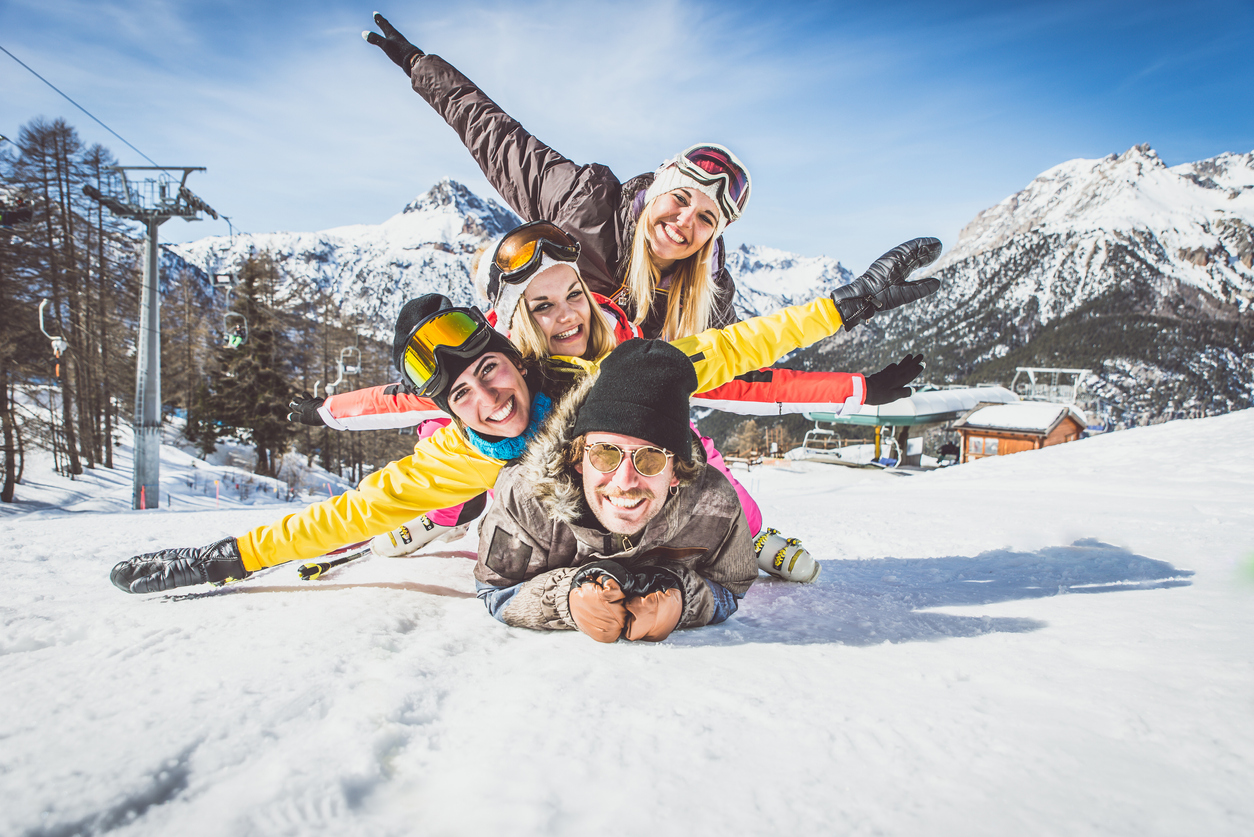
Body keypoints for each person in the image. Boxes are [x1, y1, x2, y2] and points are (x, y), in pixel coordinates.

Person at [111, 240, 935, 596]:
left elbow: (726, 352)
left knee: (699, 470)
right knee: (448, 495)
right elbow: (341, 513)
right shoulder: (455, 451)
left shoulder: (592, 375)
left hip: (638, 494)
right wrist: (224, 557)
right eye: (461, 394)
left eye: (490, 371)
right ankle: (438, 521)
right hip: (519, 505)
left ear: (512, 353)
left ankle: (752, 538)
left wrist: (849, 304)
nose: (488, 397)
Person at [363, 13, 752, 339]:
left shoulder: (707, 291)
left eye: (706, 218)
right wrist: (419, 65)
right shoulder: (586, 203)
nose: (685, 222)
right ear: (658, 188)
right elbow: (497, 139)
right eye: (681, 198)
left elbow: (745, 362)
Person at [476, 339, 755, 642]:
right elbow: (497, 589)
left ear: (675, 470)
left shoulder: (715, 505)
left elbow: (730, 587)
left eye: (650, 458)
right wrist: (565, 598)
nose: (624, 481)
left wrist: (683, 600)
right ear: (579, 457)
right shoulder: (525, 499)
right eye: (605, 453)